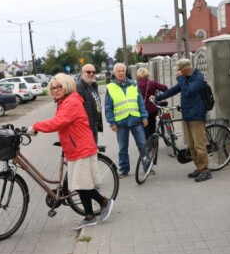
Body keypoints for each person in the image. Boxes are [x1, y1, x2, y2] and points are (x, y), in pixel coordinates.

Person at [29, 73, 114, 230]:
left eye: (59, 86)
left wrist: (36, 126)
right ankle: (89, 216)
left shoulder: (72, 102)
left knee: (82, 184)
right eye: (53, 87)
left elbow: (58, 122)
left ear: (67, 85)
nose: (55, 90)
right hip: (74, 148)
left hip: (81, 147)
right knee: (81, 184)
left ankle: (104, 202)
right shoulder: (63, 102)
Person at [153, 58, 212, 182]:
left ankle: (205, 170)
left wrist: (180, 78)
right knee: (191, 146)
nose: (177, 73)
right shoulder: (185, 79)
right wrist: (157, 98)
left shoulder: (198, 78)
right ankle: (199, 168)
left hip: (196, 114)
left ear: (185, 69)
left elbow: (189, 91)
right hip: (187, 115)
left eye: (179, 70)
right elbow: (174, 90)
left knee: (199, 145)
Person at [105, 63, 148, 178]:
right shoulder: (110, 87)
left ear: (125, 72)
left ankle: (147, 166)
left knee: (143, 145)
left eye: (123, 71)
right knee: (123, 148)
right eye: (118, 71)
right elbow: (108, 107)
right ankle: (124, 169)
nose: (121, 73)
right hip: (121, 123)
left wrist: (144, 116)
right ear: (114, 73)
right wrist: (111, 122)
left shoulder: (134, 84)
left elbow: (140, 102)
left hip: (136, 120)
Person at [136, 67, 168, 140]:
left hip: (142, 109)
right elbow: (165, 88)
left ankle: (148, 144)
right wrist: (156, 96)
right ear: (147, 74)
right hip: (153, 108)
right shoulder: (152, 83)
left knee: (145, 127)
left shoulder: (136, 85)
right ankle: (154, 142)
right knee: (152, 125)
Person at [76, 64, 103, 143]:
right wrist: (89, 128)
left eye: (93, 72)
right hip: (87, 128)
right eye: (88, 72)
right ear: (82, 73)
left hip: (94, 125)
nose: (91, 74)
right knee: (91, 152)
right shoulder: (79, 87)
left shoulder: (92, 86)